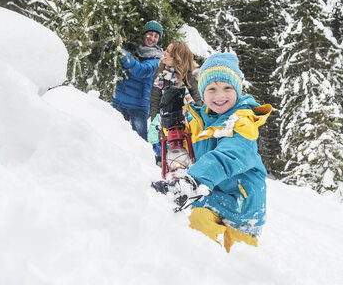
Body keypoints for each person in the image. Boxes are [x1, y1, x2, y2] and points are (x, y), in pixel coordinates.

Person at [166, 52, 272, 253]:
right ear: (202, 93)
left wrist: (194, 180)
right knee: (196, 228)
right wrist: (171, 127)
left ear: (238, 90)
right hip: (210, 195)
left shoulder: (243, 122)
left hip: (242, 202)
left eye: (227, 88)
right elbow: (182, 147)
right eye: (211, 89)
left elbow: (230, 155)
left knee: (241, 257)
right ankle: (206, 268)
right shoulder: (200, 121)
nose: (219, 95)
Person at [147, 41, 203, 164]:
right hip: (165, 124)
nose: (164, 53)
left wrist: (190, 118)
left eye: (168, 52)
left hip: (186, 126)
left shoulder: (189, 78)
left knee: (186, 160)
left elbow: (198, 102)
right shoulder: (161, 76)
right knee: (164, 161)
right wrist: (156, 126)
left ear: (177, 59)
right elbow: (155, 100)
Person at [112, 21, 164, 140]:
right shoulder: (133, 49)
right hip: (119, 101)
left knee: (140, 140)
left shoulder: (156, 58)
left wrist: (122, 53)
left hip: (138, 106)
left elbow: (142, 70)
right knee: (115, 136)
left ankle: (144, 159)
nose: (152, 38)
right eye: (150, 34)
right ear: (144, 34)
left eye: (156, 36)